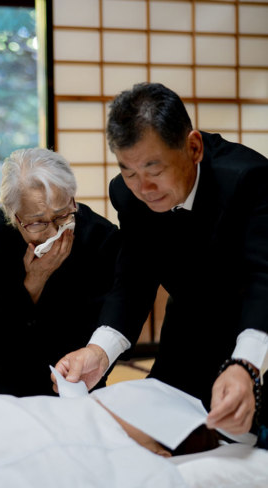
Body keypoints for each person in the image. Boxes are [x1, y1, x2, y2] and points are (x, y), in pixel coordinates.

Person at [54, 82, 268, 436]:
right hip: (187, 330)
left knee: (249, 445)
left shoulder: (249, 179)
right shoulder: (127, 195)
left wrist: (246, 365)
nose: (144, 188)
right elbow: (133, 280)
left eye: (154, 171)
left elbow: (264, 280)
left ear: (193, 147)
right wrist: (98, 351)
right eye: (129, 171)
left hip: (257, 330)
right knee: (158, 434)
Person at [0, 148, 120, 396]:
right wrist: (34, 281)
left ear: (72, 200)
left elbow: (105, 320)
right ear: (14, 215)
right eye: (38, 222)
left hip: (80, 372)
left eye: (61, 216)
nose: (53, 233)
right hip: (15, 368)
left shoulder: (100, 236)